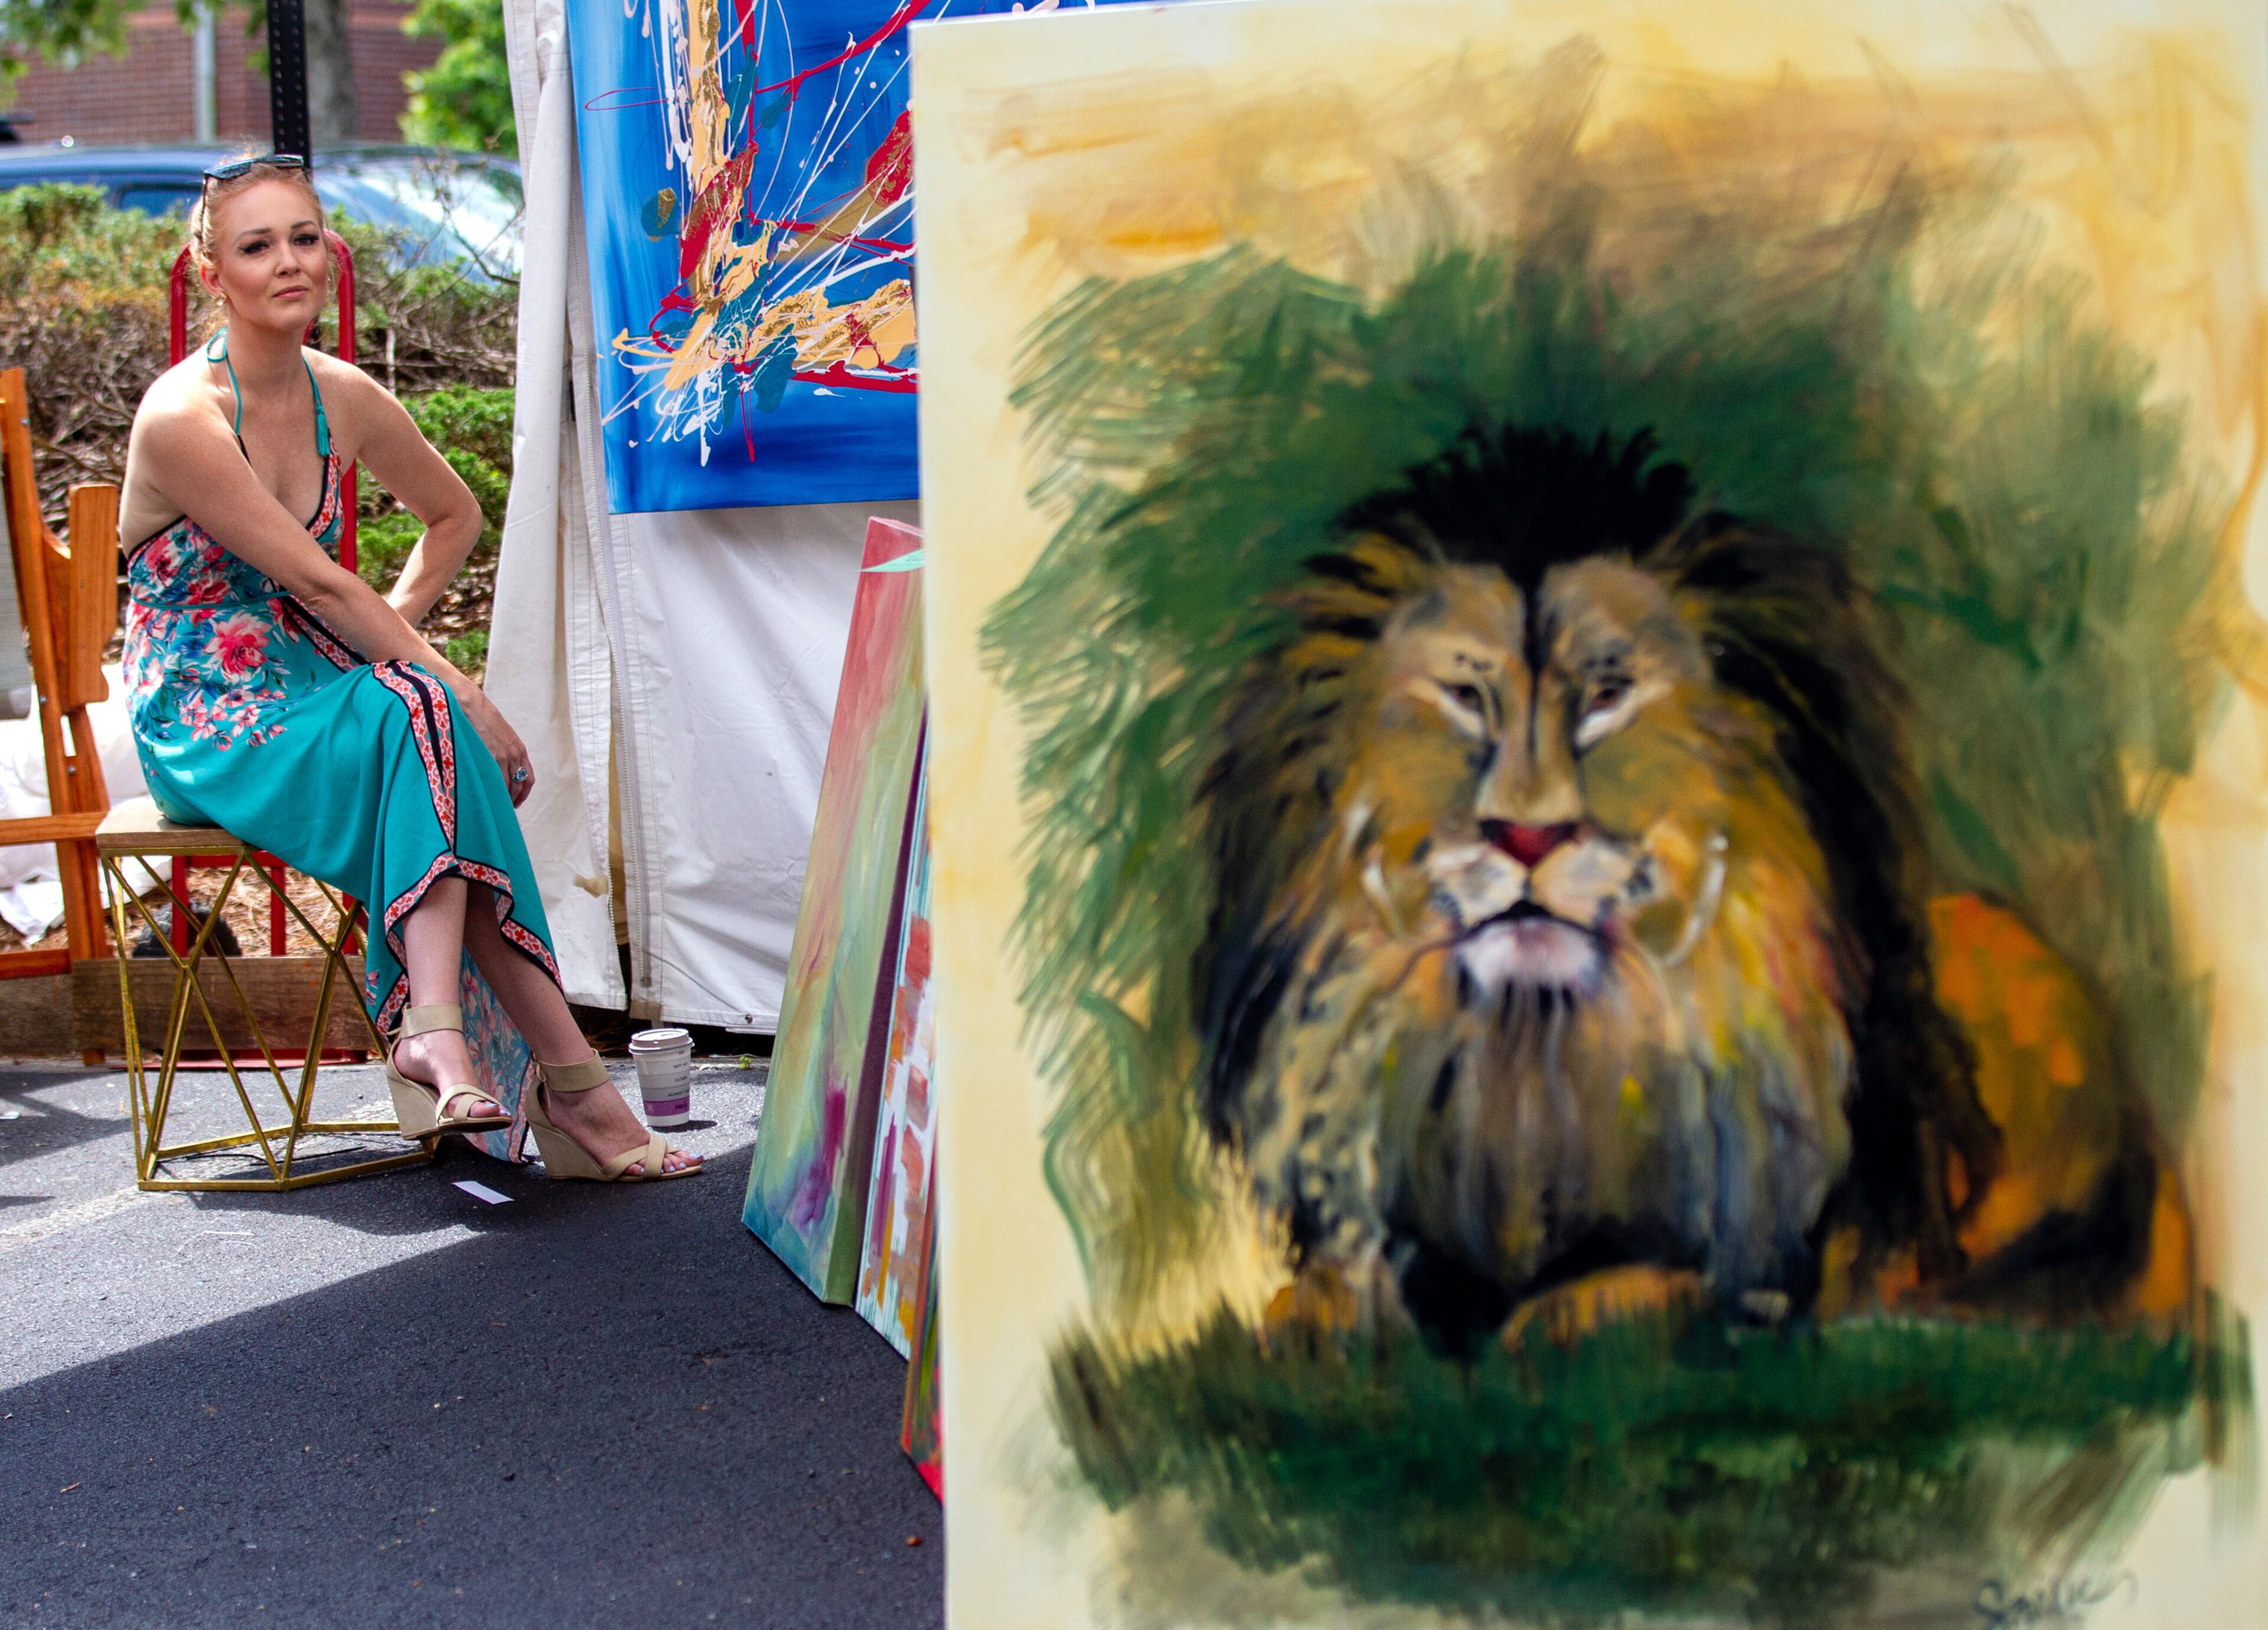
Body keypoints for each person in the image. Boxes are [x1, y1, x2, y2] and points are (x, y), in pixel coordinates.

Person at [118, 154, 698, 1182]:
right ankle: (567, 1091)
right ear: (209, 270)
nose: (289, 262)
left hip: (313, 698)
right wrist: (467, 695)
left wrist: (401, 638)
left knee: (418, 722)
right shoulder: (182, 419)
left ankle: (462, 1049)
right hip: (207, 724)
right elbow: (327, 589)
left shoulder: (341, 393)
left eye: (305, 238)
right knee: (429, 715)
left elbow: (454, 517)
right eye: (257, 246)